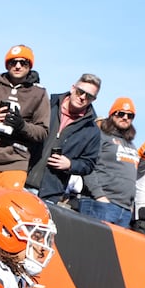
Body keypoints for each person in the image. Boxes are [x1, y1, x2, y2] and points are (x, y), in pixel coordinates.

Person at [0, 45, 50, 190]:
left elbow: (42, 132)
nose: (18, 66)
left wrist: (21, 126)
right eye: (13, 62)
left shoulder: (39, 93)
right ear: (7, 65)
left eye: (23, 63)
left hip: (14, 163)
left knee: (3, 210)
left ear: (29, 66)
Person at [25, 74, 102, 207]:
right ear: (73, 88)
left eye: (89, 96)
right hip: (21, 177)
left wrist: (70, 164)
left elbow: (89, 164)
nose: (82, 97)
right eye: (80, 92)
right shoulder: (47, 106)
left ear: (93, 99)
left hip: (49, 193)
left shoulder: (92, 130)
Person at [77, 97, 139, 227]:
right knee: (92, 246)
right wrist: (99, 196)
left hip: (125, 210)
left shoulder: (132, 145)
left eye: (130, 115)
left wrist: (131, 205)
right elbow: (88, 166)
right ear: (112, 114)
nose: (125, 117)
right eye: (121, 113)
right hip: (100, 204)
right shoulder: (100, 135)